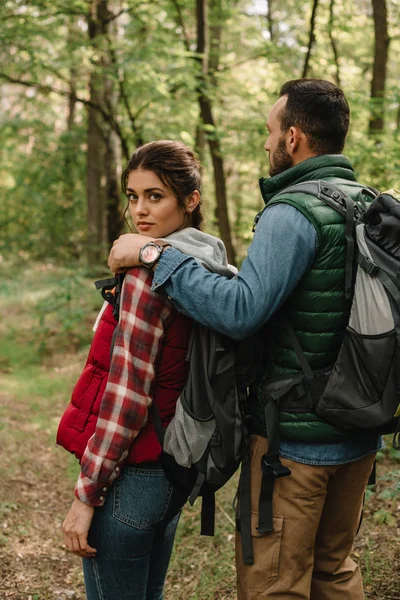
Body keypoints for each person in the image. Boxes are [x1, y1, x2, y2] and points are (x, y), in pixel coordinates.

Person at [107, 79, 383, 600]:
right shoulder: (365, 204)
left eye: (269, 131)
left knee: (275, 585)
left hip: (294, 445)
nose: (265, 142)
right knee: (335, 570)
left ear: (294, 137)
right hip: (362, 430)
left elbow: (240, 312)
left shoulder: (293, 211)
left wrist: (154, 255)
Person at [59, 140, 234, 600]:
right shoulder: (205, 261)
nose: (139, 210)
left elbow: (127, 397)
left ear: (190, 200)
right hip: (172, 468)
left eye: (155, 196)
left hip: (133, 475)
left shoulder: (145, 274)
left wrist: (86, 494)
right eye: (133, 196)